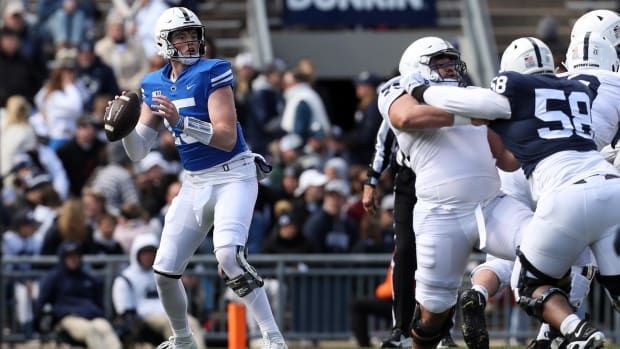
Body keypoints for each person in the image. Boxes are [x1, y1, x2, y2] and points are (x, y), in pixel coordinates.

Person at [402, 36, 620, 349]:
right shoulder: (576, 90)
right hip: (610, 185)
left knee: (527, 282)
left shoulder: (513, 91)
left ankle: (568, 334)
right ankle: (563, 335)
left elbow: (479, 110)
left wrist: (420, 89)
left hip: (564, 194)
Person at [114, 7, 287, 348]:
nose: (190, 42)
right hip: (194, 182)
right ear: (165, 42)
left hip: (233, 175)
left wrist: (180, 121)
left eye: (193, 35)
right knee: (163, 272)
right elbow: (138, 151)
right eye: (182, 37)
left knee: (228, 256)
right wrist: (119, 129)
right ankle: (182, 339)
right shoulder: (153, 83)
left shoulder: (214, 71)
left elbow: (225, 138)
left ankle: (272, 336)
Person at [379, 36, 536, 349]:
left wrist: (528, 135)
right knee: (432, 314)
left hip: (492, 205)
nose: (450, 68)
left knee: (547, 245)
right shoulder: (400, 88)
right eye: (440, 62)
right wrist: (471, 115)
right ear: (417, 67)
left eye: (452, 62)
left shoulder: (470, 96)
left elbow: (506, 161)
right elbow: (406, 117)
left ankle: (562, 332)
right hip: (440, 214)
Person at [112, 233, 206, 348]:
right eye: (144, 252)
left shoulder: (164, 274)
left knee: (192, 323)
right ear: (136, 254)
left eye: (151, 252)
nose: (148, 256)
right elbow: (124, 311)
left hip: (170, 313)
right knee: (173, 325)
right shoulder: (125, 279)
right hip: (144, 318)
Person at [34, 241, 122, 349]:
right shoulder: (54, 277)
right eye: (69, 256)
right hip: (68, 317)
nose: (73, 259)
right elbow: (41, 301)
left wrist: (100, 313)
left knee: (106, 328)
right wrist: (38, 324)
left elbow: (99, 302)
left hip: (93, 316)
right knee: (91, 331)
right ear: (63, 258)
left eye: (76, 256)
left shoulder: (88, 278)